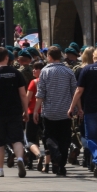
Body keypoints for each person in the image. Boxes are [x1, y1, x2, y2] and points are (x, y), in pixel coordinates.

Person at [0, 47, 29, 178]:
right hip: (15, 111)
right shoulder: (16, 73)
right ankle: (19, 159)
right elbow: (23, 94)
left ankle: (0, 169)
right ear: (7, 58)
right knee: (17, 139)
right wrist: (26, 111)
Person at [69, 46, 97, 177]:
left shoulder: (87, 69)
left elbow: (79, 90)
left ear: (94, 56)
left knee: (91, 138)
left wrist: (72, 107)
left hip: (91, 109)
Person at [34, 46, 77, 176]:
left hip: (49, 111)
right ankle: (61, 166)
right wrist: (78, 108)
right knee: (64, 139)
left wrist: (36, 110)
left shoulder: (45, 72)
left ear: (49, 57)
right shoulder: (68, 71)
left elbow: (41, 93)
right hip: (65, 111)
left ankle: (55, 152)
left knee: (49, 136)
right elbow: (75, 92)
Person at [25, 61, 45, 171]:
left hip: (32, 112)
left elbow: (27, 99)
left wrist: (24, 111)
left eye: (36, 68)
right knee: (45, 137)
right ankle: (43, 163)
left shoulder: (34, 82)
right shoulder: (48, 82)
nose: (33, 70)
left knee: (30, 139)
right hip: (45, 113)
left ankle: (35, 157)